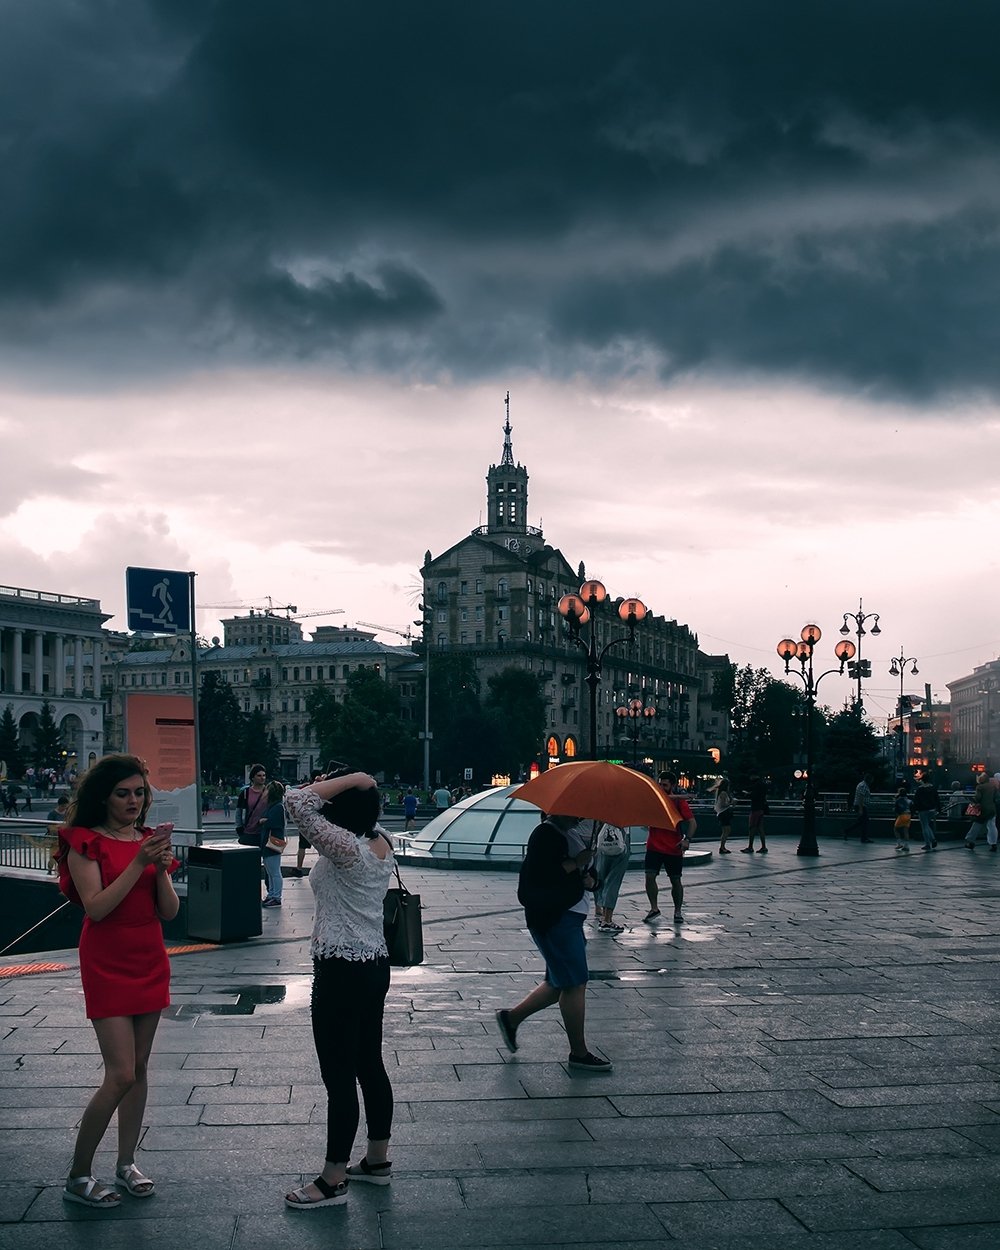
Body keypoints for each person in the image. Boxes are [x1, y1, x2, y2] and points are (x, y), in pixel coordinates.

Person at [55, 754, 178, 1209]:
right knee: (120, 1072)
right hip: (107, 958)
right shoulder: (85, 842)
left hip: (149, 954)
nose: (132, 801)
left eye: (139, 792)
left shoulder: (147, 841)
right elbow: (97, 908)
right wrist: (137, 863)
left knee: (140, 1068)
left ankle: (126, 1163)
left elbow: (170, 912)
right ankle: (79, 1174)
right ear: (104, 796)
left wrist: (160, 869)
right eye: (123, 793)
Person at [282, 771, 395, 1209]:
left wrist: (355, 777)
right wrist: (355, 786)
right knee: (369, 1062)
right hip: (374, 965)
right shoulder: (379, 838)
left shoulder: (345, 849)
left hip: (341, 969)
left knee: (339, 1076)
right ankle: (376, 1162)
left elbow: (295, 801)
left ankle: (333, 1179)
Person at [496, 811, 611, 1071]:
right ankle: (579, 1053)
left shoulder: (568, 834)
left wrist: (591, 880)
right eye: (573, 812)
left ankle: (511, 1019)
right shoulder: (544, 834)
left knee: (559, 982)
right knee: (575, 982)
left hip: (569, 916)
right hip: (555, 919)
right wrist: (574, 863)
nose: (579, 817)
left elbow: (586, 877)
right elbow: (541, 875)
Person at [644, 772, 696, 922]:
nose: (661, 787)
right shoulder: (655, 800)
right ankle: (654, 908)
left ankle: (678, 911)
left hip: (673, 847)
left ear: (672, 786)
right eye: (659, 783)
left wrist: (687, 840)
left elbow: (692, 822)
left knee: (675, 880)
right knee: (649, 876)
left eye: (664, 784)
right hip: (654, 846)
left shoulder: (679, 803)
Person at [593, 823, 631, 932]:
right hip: (620, 839)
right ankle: (607, 919)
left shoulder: (603, 807)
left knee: (602, 877)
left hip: (603, 841)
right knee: (614, 881)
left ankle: (603, 915)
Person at [259, 780, 287, 906]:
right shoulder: (275, 805)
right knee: (270, 871)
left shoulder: (277, 807)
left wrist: (264, 821)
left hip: (273, 842)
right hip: (271, 842)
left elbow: (275, 823)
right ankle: (272, 894)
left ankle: (276, 896)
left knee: (274, 871)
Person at [964, 771, 997, 851]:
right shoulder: (993, 786)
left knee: (976, 825)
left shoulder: (980, 787)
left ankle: (970, 841)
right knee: (992, 826)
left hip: (982, 809)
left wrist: (969, 798)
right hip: (992, 809)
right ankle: (993, 844)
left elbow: (977, 798)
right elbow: (996, 797)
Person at [236, 764, 268, 846]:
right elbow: (239, 812)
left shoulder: (269, 792)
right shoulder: (245, 793)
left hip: (264, 832)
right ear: (253, 778)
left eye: (264, 775)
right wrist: (239, 828)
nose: (262, 778)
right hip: (248, 832)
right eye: (259, 775)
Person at [912, 773, 941, 851]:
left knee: (924, 826)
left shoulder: (920, 789)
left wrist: (914, 810)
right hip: (932, 809)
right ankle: (932, 840)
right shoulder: (933, 788)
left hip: (922, 810)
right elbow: (937, 799)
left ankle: (928, 843)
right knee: (927, 825)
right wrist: (939, 809)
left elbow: (916, 801)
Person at [741, 773, 769, 852]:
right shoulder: (763, 784)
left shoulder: (757, 785)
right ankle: (763, 847)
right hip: (761, 808)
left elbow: (754, 795)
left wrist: (747, 794)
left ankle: (750, 847)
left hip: (755, 808)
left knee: (752, 827)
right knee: (760, 828)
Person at [45, 793, 70, 873]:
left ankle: (60, 871)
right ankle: (50, 869)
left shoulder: (67, 813)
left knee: (63, 856)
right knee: (53, 855)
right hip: (55, 838)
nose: (65, 808)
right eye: (64, 806)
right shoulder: (52, 814)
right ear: (60, 805)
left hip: (65, 837)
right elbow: (49, 826)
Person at [843, 774, 873, 843]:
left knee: (861, 822)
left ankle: (847, 831)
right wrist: (860, 809)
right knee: (865, 822)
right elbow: (861, 797)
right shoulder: (864, 786)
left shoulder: (862, 784)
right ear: (869, 779)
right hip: (862, 806)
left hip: (861, 805)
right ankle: (864, 838)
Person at [710, 776, 735, 854]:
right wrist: (732, 803)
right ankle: (722, 847)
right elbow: (724, 804)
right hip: (724, 813)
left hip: (722, 813)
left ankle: (722, 847)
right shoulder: (723, 793)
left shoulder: (720, 792)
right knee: (726, 830)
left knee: (725, 830)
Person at [893, 785, 913, 853]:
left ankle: (899, 844)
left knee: (895, 829)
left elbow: (896, 809)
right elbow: (912, 808)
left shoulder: (898, 800)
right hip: (908, 815)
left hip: (902, 815)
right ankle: (906, 846)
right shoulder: (909, 800)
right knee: (906, 830)